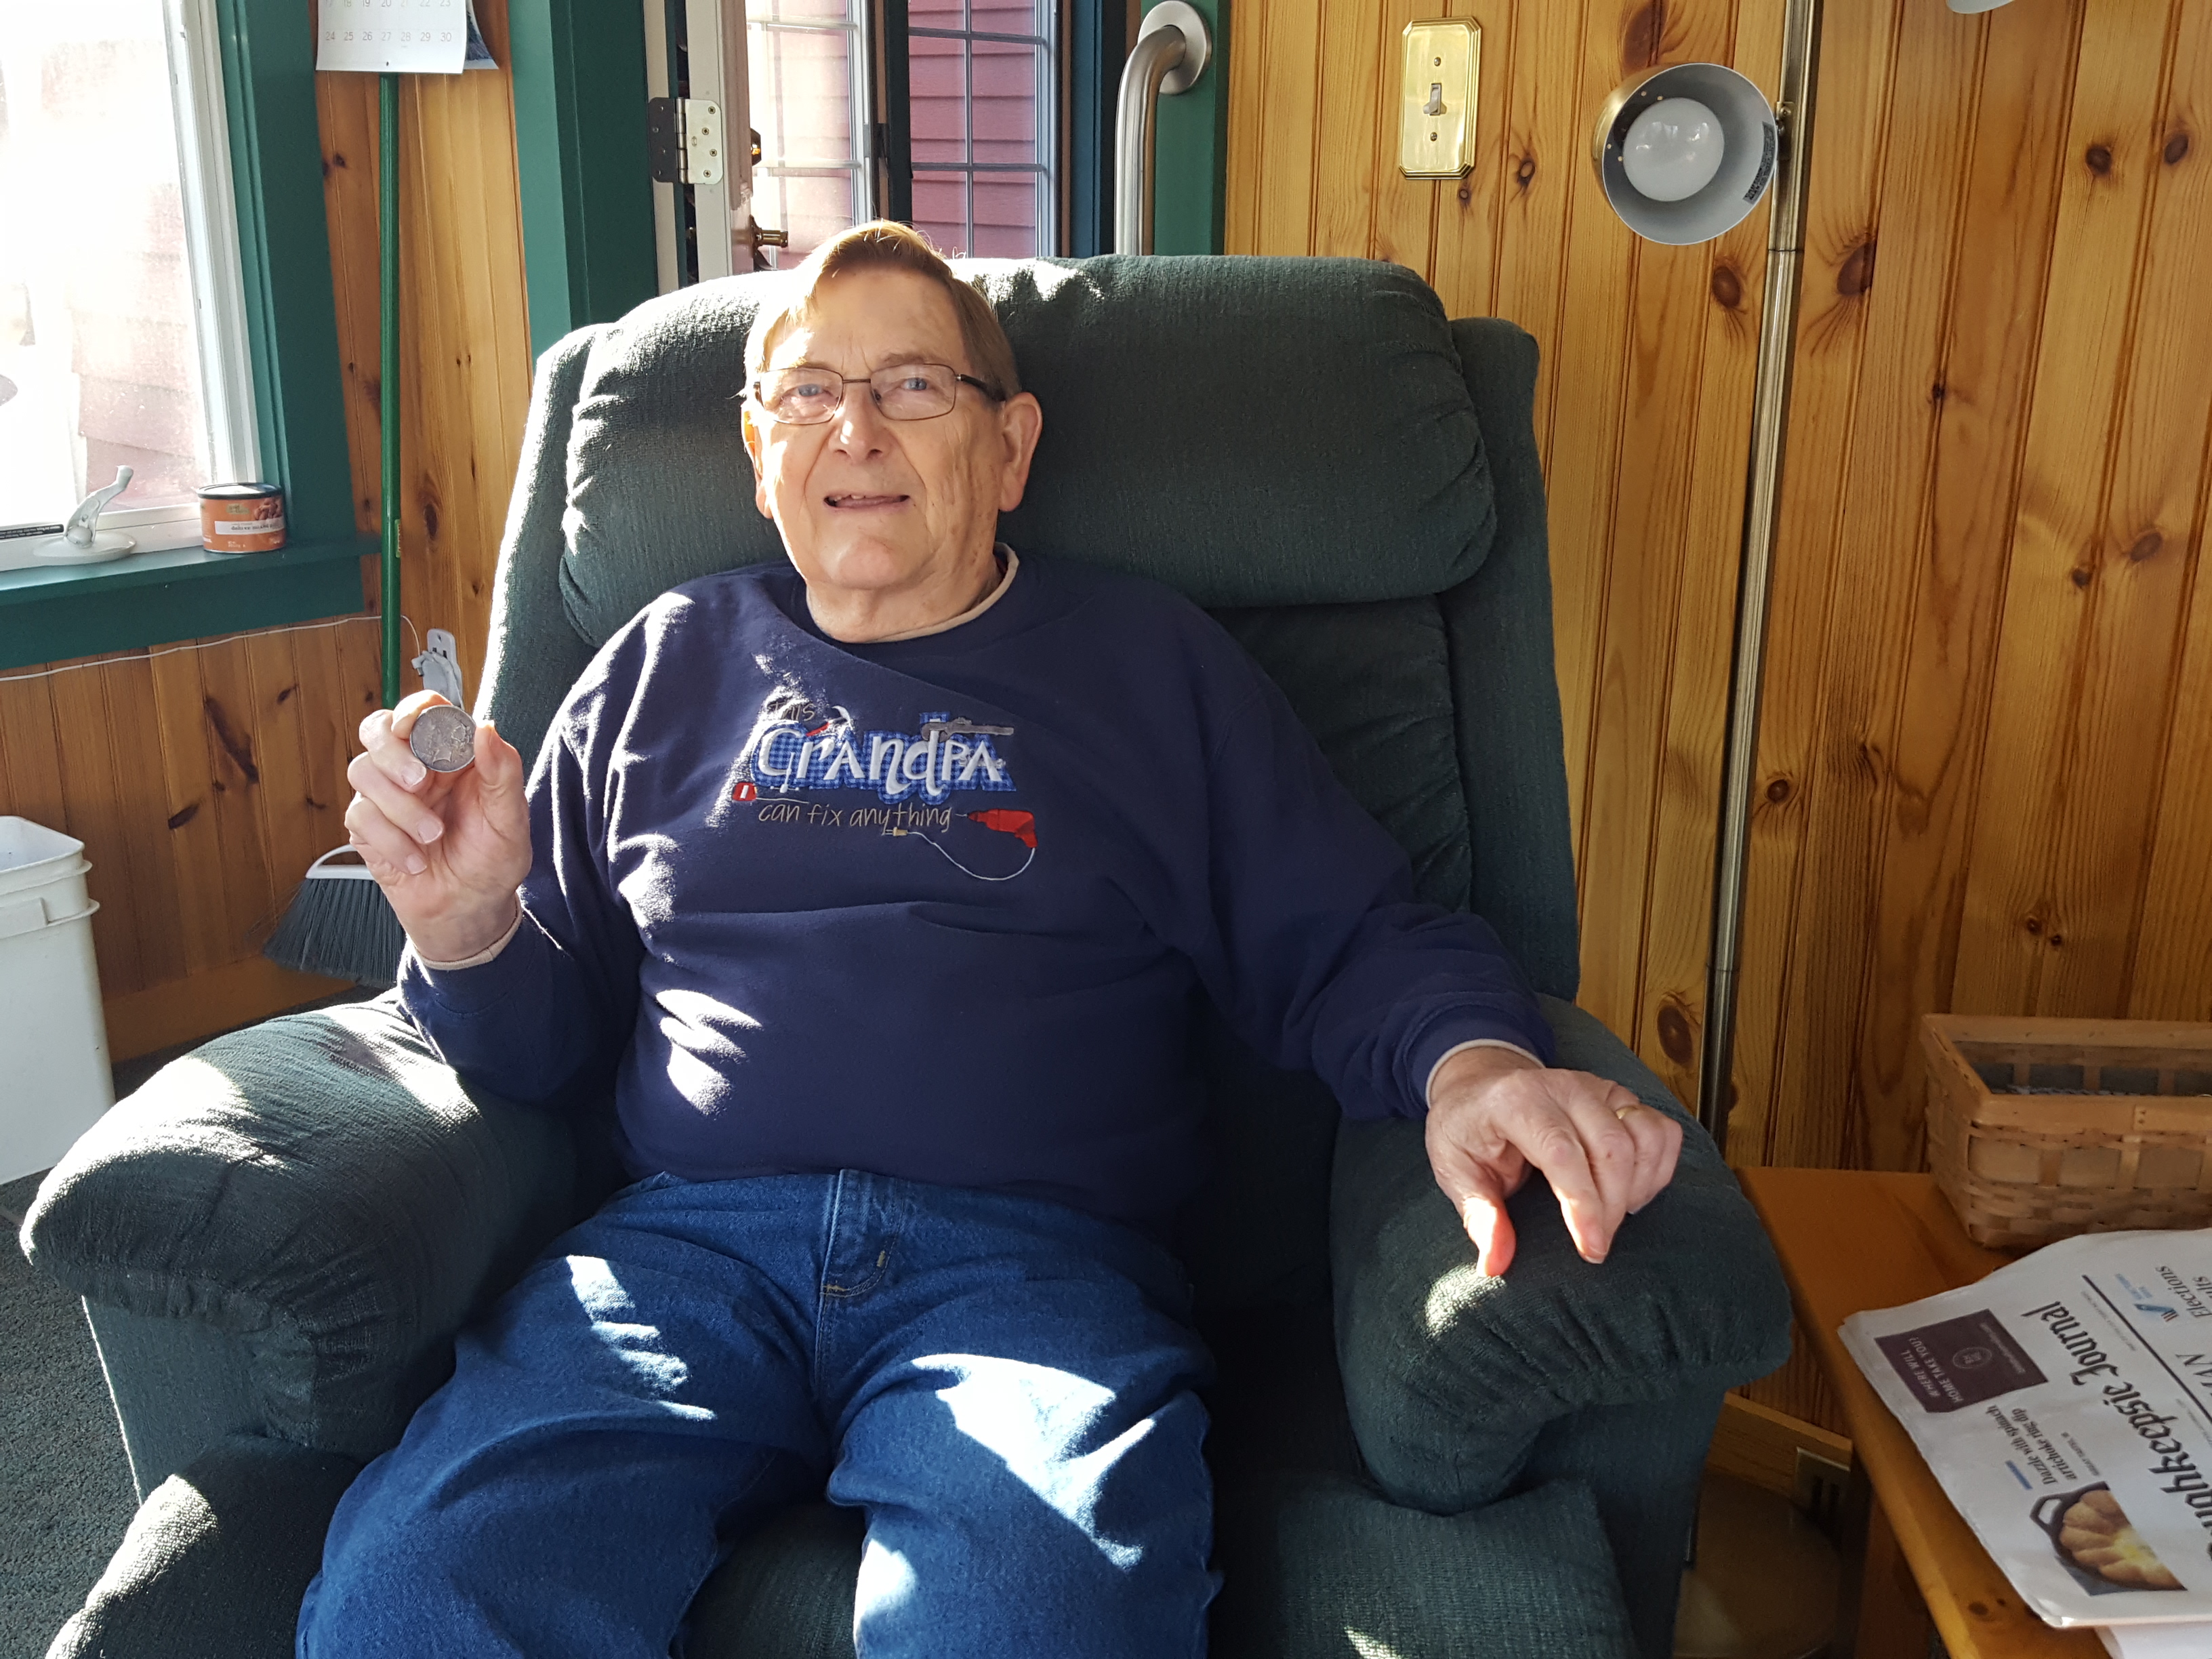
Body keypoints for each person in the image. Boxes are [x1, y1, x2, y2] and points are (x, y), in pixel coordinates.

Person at [303, 221, 1683, 1658]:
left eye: (910, 387)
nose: (854, 426)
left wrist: (1471, 1066)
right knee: (415, 1593)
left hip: (1026, 1271)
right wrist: (467, 932)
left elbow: (1349, 929)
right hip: (680, 1259)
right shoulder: (662, 665)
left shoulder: (1149, 670)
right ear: (756, 451)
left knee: (1039, 1616)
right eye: (809, 391)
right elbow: (543, 1048)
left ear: (1011, 448)